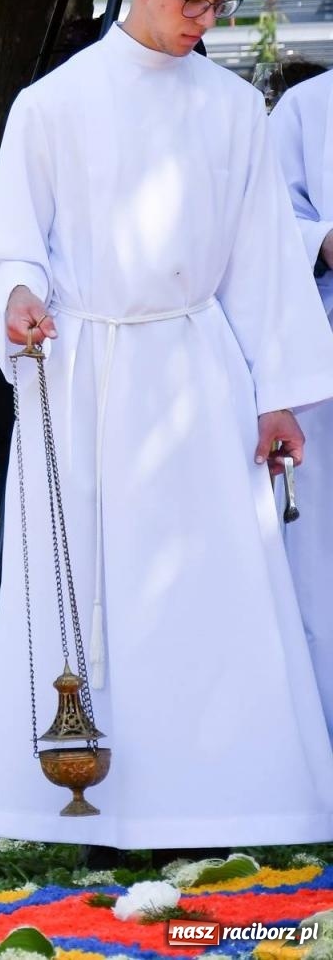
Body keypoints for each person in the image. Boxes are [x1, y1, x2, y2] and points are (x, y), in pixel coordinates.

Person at [0, 0, 333, 851]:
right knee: (93, 591)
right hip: (86, 375)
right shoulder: (53, 104)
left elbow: (264, 264)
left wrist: (277, 394)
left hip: (198, 374)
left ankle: (222, 801)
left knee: (210, 589)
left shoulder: (231, 108)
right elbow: (9, 242)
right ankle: (89, 802)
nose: (207, 18)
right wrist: (18, 298)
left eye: (224, 1)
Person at [269, 60, 333, 737]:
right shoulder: (309, 109)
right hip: (324, 360)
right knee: (322, 563)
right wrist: (323, 239)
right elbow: (262, 225)